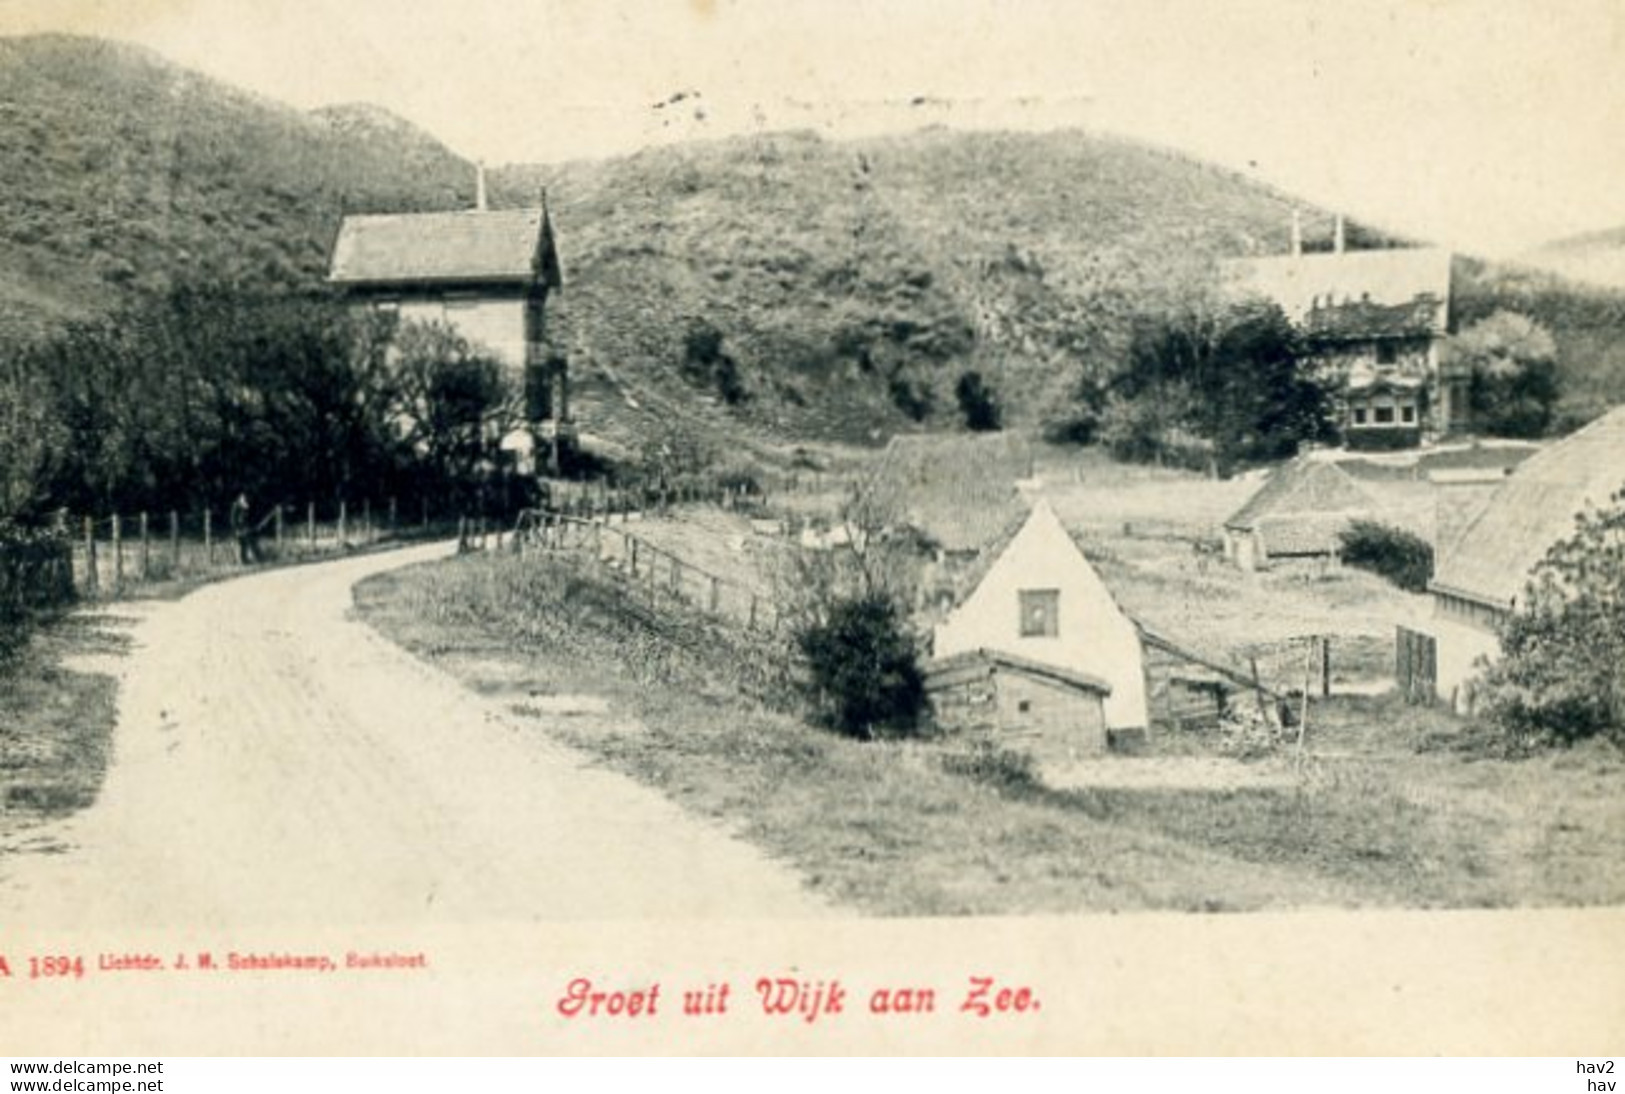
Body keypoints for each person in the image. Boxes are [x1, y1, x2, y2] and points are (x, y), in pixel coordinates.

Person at [229, 492, 262, 564]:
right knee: (241, 545)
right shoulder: (236, 506)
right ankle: (241, 560)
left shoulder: (246, 506)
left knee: (247, 544)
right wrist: (236, 529)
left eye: (245, 498)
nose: (245, 499)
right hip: (239, 528)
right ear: (240, 498)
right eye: (243, 497)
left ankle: (248, 559)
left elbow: (248, 518)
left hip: (246, 528)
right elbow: (233, 519)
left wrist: (251, 526)